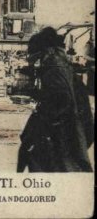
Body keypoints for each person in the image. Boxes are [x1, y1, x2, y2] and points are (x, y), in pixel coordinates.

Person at [17, 27, 92, 172]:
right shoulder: (59, 62)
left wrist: (39, 100)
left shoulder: (53, 68)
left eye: (36, 56)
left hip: (61, 124)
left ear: (46, 51)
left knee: (40, 155)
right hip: (73, 121)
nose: (36, 60)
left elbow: (62, 97)